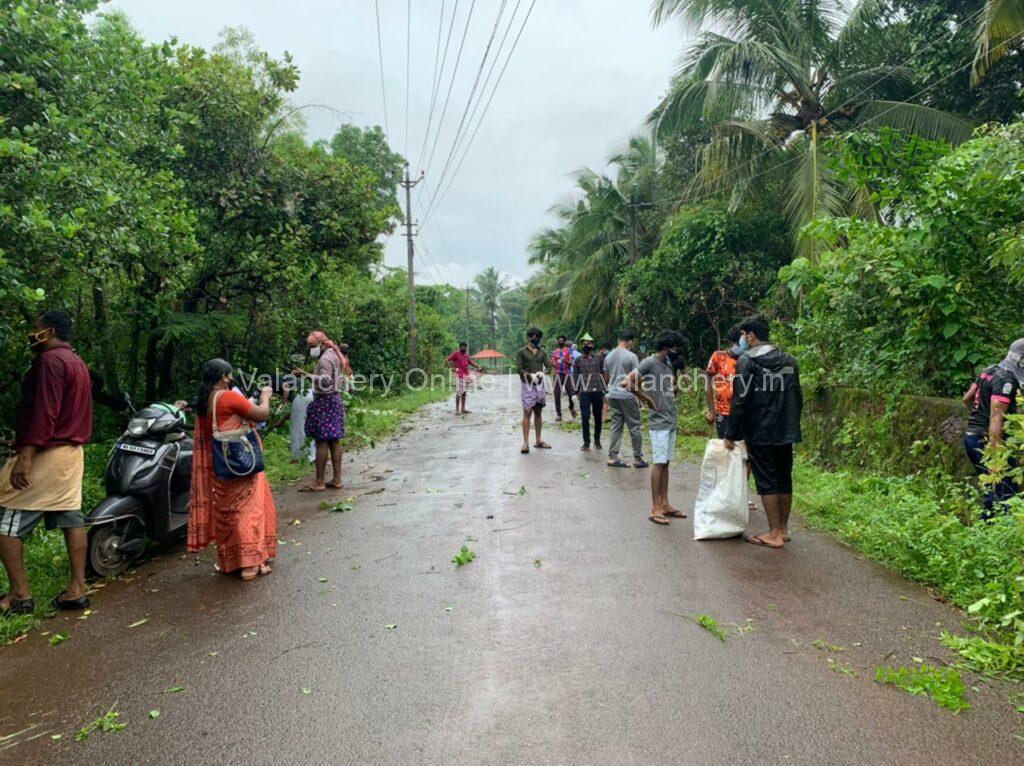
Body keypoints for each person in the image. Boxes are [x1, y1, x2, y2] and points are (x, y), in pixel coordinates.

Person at [0, 312, 93, 615]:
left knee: (6, 518)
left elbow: (45, 413)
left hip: (48, 454)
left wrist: (24, 458)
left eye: (35, 329)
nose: (31, 334)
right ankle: (77, 588)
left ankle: (19, 595)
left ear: (49, 332)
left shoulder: (49, 362)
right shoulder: (76, 362)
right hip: (72, 455)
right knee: (71, 518)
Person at [188, 359, 276, 581]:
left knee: (228, 513)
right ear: (224, 377)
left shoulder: (204, 400)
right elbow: (261, 415)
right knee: (248, 510)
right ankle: (249, 565)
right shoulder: (228, 397)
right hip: (240, 463)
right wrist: (265, 398)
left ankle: (232, 562)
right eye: (230, 376)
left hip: (220, 466)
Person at [724, 315, 803, 549]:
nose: (742, 340)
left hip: (760, 430)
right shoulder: (790, 360)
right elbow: (797, 396)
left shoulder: (747, 362)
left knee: (767, 480)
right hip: (786, 429)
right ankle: (783, 529)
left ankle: (774, 533)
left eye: (743, 335)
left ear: (750, 335)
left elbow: (740, 400)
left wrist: (731, 432)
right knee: (783, 477)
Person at [626, 329, 686, 525]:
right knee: (659, 464)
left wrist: (673, 389)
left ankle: (665, 504)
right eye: (676, 348)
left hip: (670, 419)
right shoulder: (649, 362)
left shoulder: (668, 365)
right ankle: (655, 508)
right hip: (658, 421)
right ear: (667, 348)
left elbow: (668, 389)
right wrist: (647, 399)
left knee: (666, 463)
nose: (678, 351)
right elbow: (628, 382)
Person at [962, 338, 1024, 514]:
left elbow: (966, 399)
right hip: (987, 441)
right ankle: (999, 532)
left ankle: (986, 527)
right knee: (1006, 491)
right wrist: (995, 456)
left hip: (971, 437)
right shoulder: (1006, 382)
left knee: (991, 488)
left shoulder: (988, 371)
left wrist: (978, 417)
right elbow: (996, 419)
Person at [292, 331, 350, 492]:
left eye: (313, 346)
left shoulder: (325, 359)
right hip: (335, 399)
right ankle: (337, 479)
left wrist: (306, 374)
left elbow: (325, 380)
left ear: (322, 344)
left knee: (322, 440)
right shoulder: (334, 354)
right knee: (334, 440)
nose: (311, 350)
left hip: (325, 401)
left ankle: (319, 482)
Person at [604, 330, 648, 469]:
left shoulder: (608, 357)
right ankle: (638, 458)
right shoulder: (631, 356)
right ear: (629, 341)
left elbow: (606, 378)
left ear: (619, 339)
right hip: (627, 395)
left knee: (616, 426)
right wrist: (640, 390)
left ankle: (612, 457)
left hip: (613, 394)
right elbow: (636, 376)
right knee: (634, 426)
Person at [704, 326, 743, 438]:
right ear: (731, 342)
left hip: (742, 412)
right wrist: (711, 410)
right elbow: (708, 384)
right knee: (726, 447)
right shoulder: (718, 357)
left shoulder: (746, 360)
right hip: (723, 412)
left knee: (743, 450)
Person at [517, 327, 551, 454]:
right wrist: (529, 375)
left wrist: (543, 373)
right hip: (527, 384)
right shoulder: (521, 352)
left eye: (539, 338)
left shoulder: (542, 352)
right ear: (529, 338)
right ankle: (525, 443)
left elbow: (549, 367)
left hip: (540, 385)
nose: (537, 340)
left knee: (538, 412)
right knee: (527, 412)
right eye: (535, 337)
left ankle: (538, 440)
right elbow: (519, 369)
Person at [572, 333, 607, 452]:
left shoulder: (599, 359)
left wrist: (605, 390)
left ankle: (597, 440)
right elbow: (575, 376)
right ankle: (586, 442)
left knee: (598, 417)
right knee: (585, 417)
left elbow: (603, 374)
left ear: (593, 345)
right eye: (585, 343)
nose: (587, 345)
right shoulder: (577, 360)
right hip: (585, 392)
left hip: (597, 391)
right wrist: (575, 392)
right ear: (582, 345)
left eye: (589, 343)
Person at [446, 341, 484, 415]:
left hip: (466, 375)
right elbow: (447, 360)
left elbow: (471, 363)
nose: (463, 348)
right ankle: (457, 410)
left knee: (464, 392)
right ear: (460, 347)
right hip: (459, 375)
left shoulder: (466, 356)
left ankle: (463, 409)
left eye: (465, 347)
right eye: (462, 347)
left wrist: (478, 366)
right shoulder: (456, 353)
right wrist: (451, 368)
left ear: (466, 348)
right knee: (459, 392)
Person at [550, 335, 576, 421]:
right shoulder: (554, 352)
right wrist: (550, 362)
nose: (560, 342)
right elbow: (554, 365)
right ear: (557, 341)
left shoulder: (569, 350)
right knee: (556, 394)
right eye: (559, 340)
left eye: (562, 340)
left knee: (570, 393)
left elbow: (571, 363)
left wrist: (565, 361)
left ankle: (571, 407)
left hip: (567, 374)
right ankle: (558, 414)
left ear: (564, 341)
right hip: (557, 374)